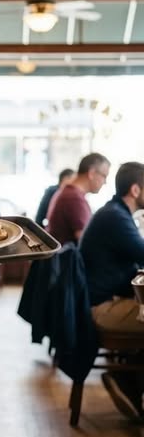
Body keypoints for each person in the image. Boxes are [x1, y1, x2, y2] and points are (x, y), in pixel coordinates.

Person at [80, 161, 144, 420]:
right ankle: (128, 379)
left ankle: (129, 377)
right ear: (136, 190)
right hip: (102, 308)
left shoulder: (114, 213)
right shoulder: (116, 217)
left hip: (102, 300)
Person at [46, 152, 110, 245]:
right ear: (91, 173)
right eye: (104, 176)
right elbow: (87, 241)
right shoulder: (74, 198)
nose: (105, 182)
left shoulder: (68, 192)